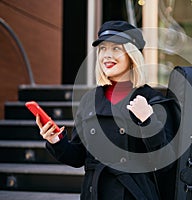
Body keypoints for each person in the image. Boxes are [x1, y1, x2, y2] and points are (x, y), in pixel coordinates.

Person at [36, 20, 179, 200]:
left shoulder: (152, 100)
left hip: (133, 195)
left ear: (132, 55)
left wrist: (147, 120)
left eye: (116, 48)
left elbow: (165, 162)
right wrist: (55, 139)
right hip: (94, 193)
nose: (107, 55)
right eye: (103, 48)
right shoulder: (90, 100)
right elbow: (78, 157)